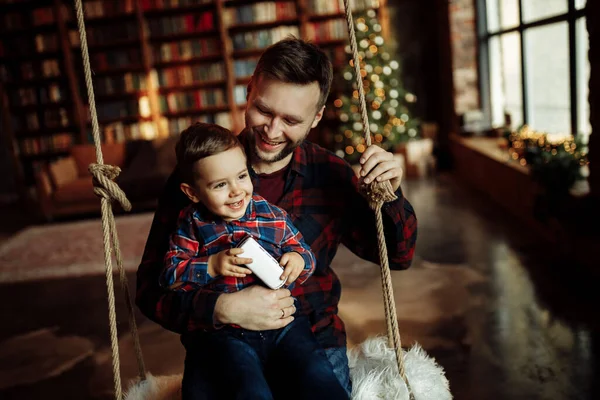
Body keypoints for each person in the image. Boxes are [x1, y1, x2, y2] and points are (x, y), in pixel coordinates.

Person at [136, 37, 418, 398]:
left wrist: (389, 194)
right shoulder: (196, 175)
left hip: (311, 336)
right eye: (264, 111)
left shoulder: (330, 174)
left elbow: (400, 255)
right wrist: (221, 308)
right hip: (219, 340)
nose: (271, 130)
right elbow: (150, 289)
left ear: (316, 118)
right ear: (249, 90)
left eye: (291, 120)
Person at [161, 122, 348, 399]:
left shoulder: (270, 214)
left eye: (241, 176)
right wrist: (211, 265)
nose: (236, 191)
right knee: (247, 388)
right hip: (227, 334)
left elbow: (304, 252)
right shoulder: (192, 223)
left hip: (283, 325)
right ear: (192, 192)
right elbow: (170, 275)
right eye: (220, 185)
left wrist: (298, 259)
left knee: (317, 375)